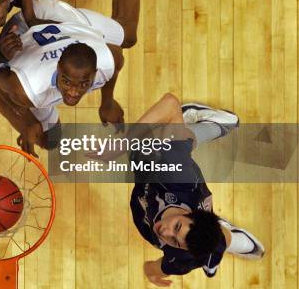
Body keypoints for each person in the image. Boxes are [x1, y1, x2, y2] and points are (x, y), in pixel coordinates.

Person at [0, 0, 168, 153]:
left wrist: (107, 102)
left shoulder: (108, 59)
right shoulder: (27, 87)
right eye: (67, 82)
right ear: (58, 69)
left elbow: (115, 61)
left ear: (95, 73)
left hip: (68, 29)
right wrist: (26, 122)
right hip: (29, 28)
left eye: (83, 84)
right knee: (44, 138)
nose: (74, 93)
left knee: (128, 37)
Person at [98, 93, 265, 286]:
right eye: (177, 226)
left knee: (212, 249)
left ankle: (215, 254)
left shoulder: (183, 257)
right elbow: (170, 103)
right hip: (169, 169)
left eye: (175, 241)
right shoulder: (177, 178)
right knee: (158, 143)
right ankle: (214, 123)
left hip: (151, 186)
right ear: (189, 213)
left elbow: (152, 268)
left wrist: (152, 273)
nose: (165, 232)